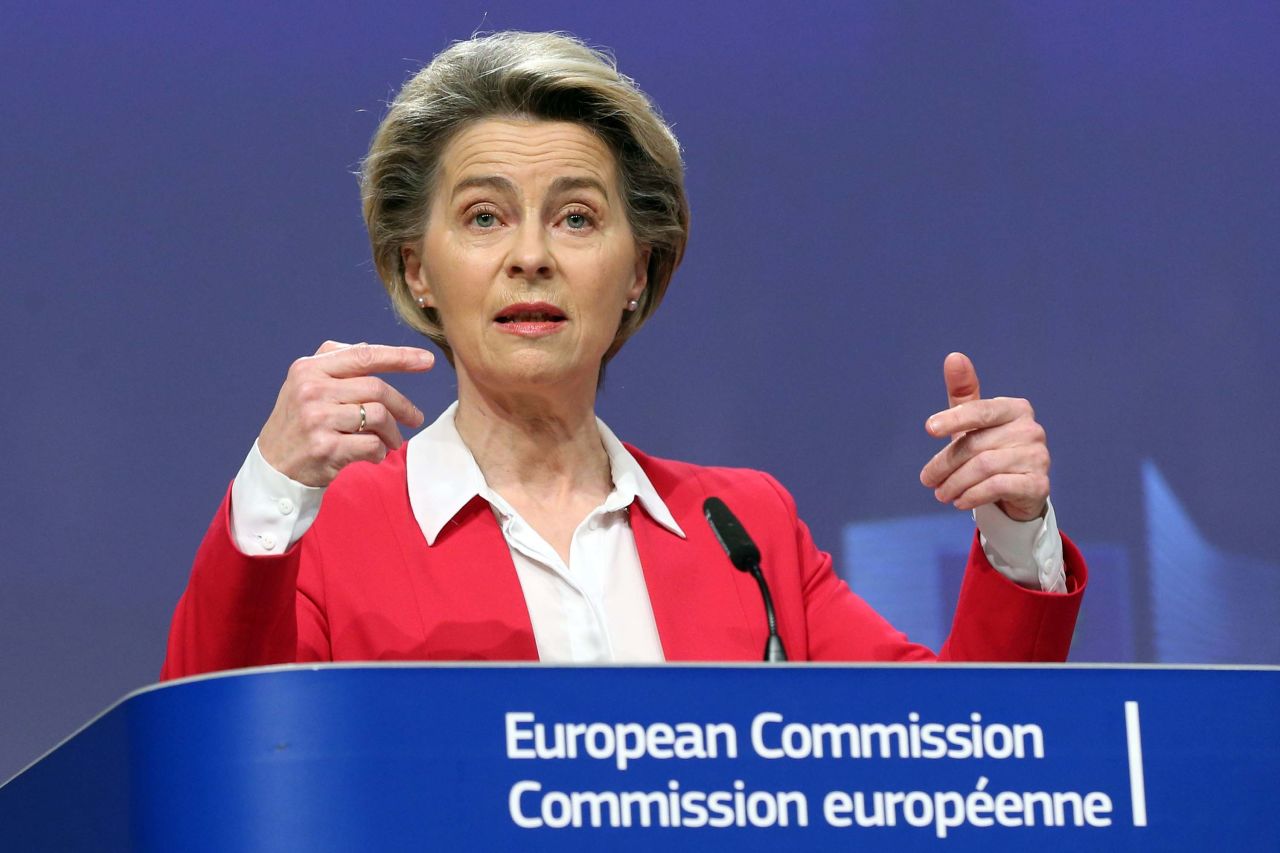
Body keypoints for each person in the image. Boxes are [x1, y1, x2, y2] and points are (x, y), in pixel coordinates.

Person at [161, 31, 1085, 679]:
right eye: (484, 217)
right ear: (420, 269)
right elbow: (216, 765)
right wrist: (275, 484)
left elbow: (952, 767)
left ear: (637, 270)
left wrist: (1014, 529)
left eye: (576, 217)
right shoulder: (331, 531)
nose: (531, 255)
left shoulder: (743, 530)